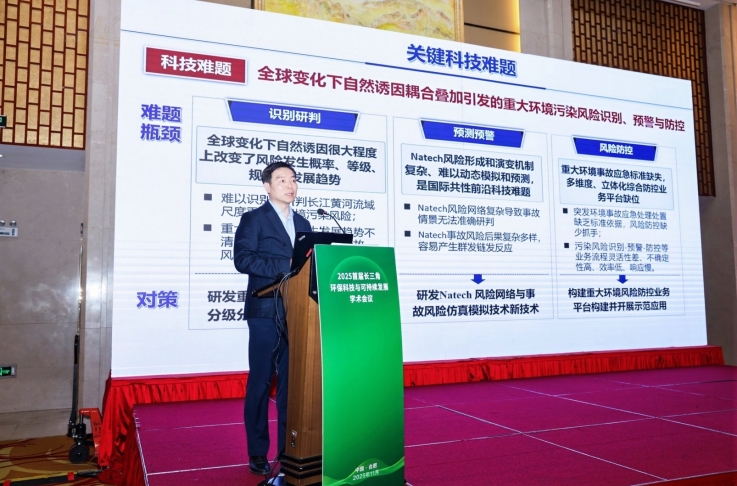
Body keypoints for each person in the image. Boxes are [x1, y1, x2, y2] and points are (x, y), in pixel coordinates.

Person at [233, 162, 312, 475]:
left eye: (293, 180)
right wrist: (286, 267)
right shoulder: (254, 219)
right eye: (282, 180)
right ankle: (257, 451)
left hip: (298, 313)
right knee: (261, 383)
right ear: (267, 187)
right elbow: (243, 259)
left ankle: (287, 450)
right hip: (265, 312)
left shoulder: (304, 222)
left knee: (292, 387)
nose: (290, 185)